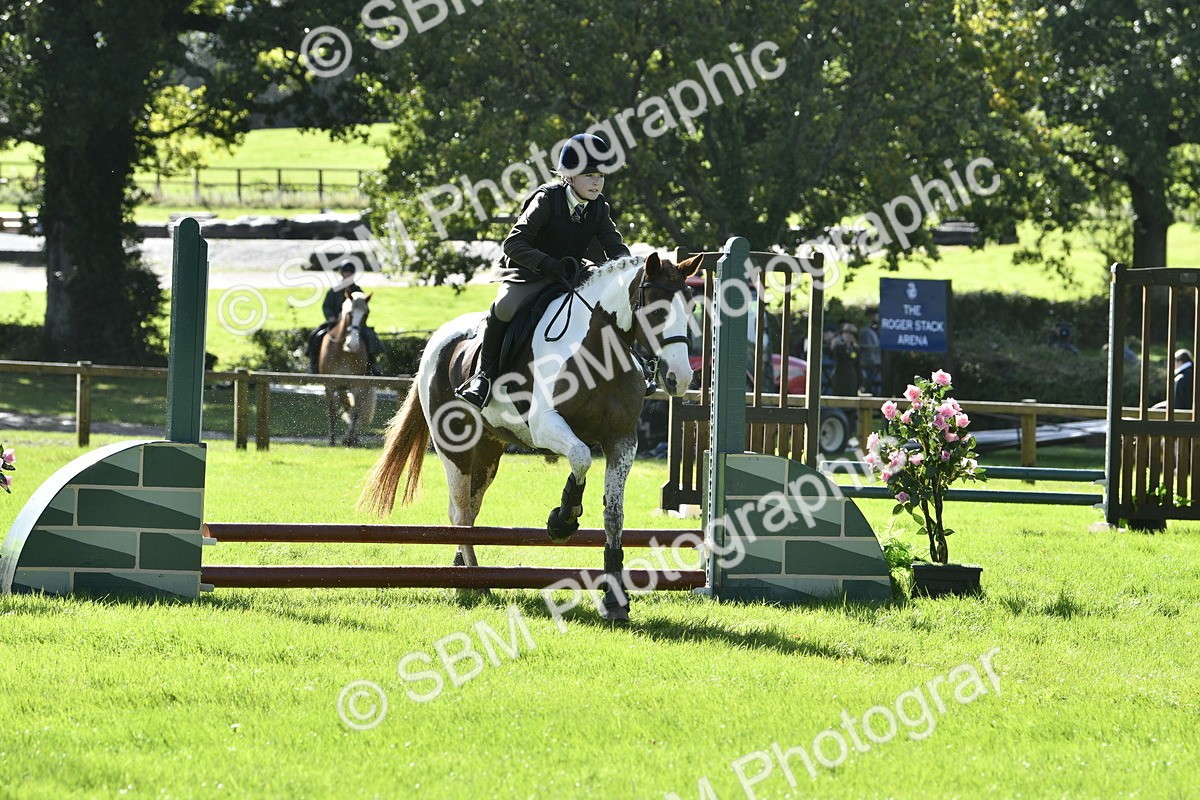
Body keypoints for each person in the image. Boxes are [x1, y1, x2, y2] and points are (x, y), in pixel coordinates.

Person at [456, 132, 632, 408]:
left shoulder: (599, 207)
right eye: (589, 175)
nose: (596, 182)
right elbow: (513, 243)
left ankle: (634, 372)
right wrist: (547, 263)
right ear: (569, 176)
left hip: (571, 277)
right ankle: (483, 377)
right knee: (503, 307)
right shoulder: (547, 200)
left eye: (600, 175)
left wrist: (628, 271)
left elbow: (615, 247)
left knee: (610, 309)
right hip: (530, 274)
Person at [307, 261, 385, 375]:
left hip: (355, 323)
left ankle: (372, 366)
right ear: (342, 274)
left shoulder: (358, 291)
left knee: (371, 337)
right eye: (346, 272)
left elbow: (364, 309)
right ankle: (313, 365)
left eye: (350, 273)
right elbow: (326, 306)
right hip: (335, 322)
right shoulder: (334, 290)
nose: (347, 275)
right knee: (315, 335)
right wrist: (331, 316)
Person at [858, 307, 882, 395]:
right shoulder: (866, 331)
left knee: (876, 384)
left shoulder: (878, 329)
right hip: (868, 362)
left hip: (876, 362)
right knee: (868, 384)